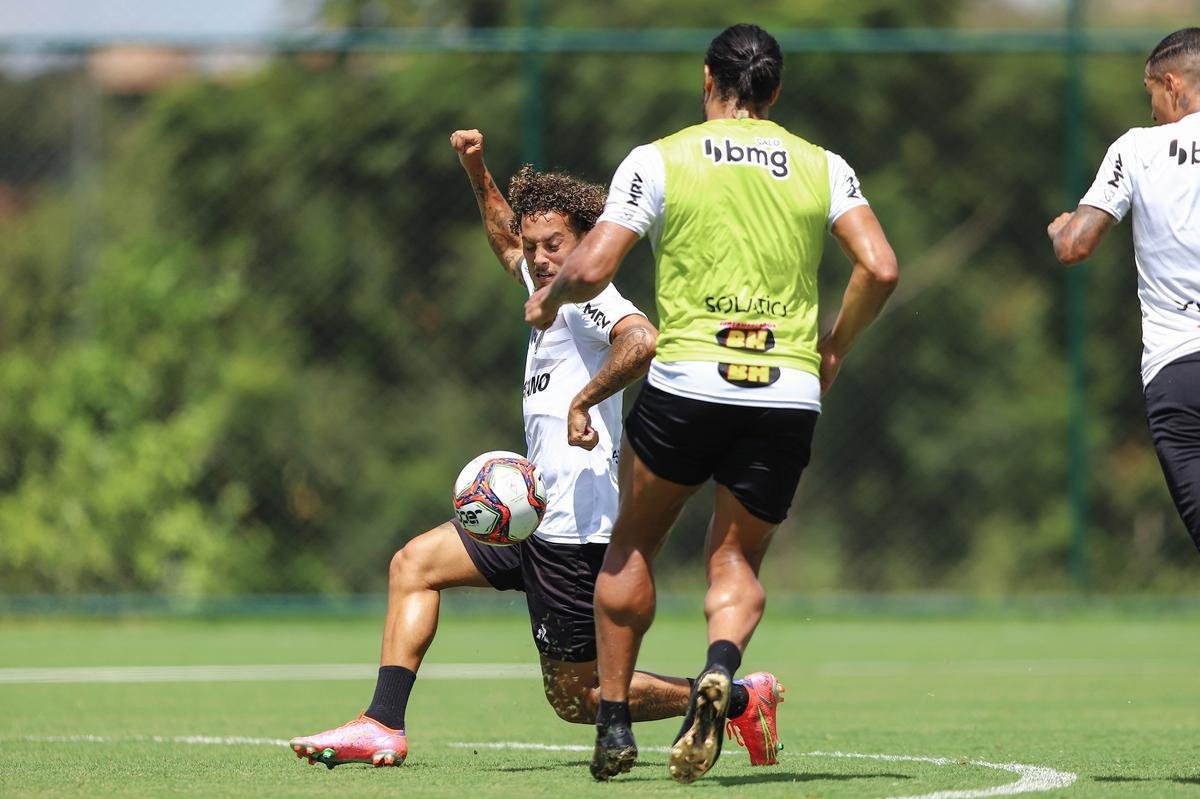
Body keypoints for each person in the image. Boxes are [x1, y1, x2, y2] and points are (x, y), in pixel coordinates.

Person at [288, 129, 783, 771]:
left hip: (576, 528)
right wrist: (477, 170)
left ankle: (739, 700)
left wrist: (584, 400)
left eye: (556, 245)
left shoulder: (590, 295)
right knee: (414, 564)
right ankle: (383, 722)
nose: (541, 258)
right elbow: (502, 236)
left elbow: (642, 341)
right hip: (529, 515)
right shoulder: (544, 283)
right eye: (534, 247)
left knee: (578, 699)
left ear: (586, 245)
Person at [526, 24, 898, 784]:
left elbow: (593, 265)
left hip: (688, 381)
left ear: (708, 80)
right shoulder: (824, 165)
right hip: (786, 388)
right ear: (777, 89)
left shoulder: (660, 157)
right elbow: (881, 267)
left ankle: (614, 724)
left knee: (633, 544)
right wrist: (833, 347)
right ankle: (719, 667)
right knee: (735, 557)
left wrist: (549, 297)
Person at [1048, 28, 1200, 550]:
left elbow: (1075, 246)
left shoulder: (1138, 148)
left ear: (1174, 85)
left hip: (1180, 370)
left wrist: (1058, 228)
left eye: (1153, 93)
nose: (1153, 109)